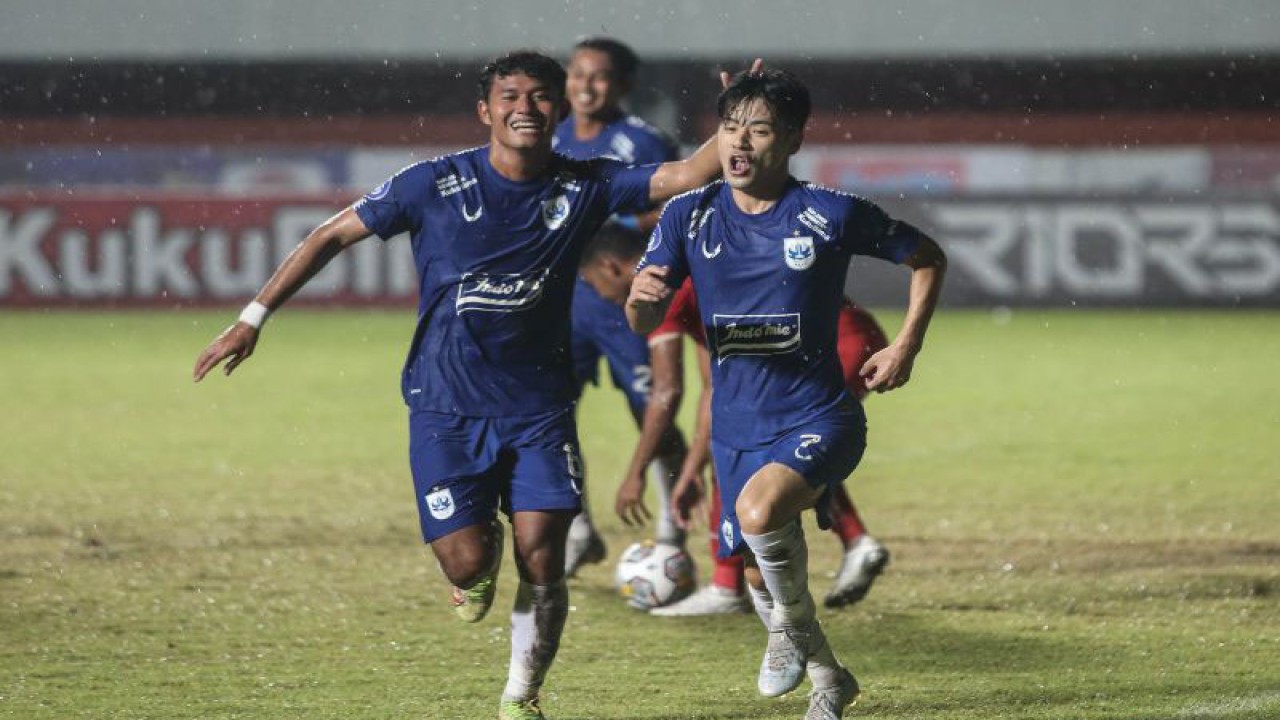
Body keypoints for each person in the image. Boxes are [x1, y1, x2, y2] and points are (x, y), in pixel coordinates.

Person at [192, 50, 733, 720]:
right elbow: (331, 235)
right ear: (486, 110)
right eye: (510, 96)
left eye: (540, 97)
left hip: (539, 409)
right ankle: (473, 573)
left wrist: (736, 118)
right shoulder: (432, 184)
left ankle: (521, 697)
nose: (525, 108)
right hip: (444, 406)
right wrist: (253, 318)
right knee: (466, 561)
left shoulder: (587, 185)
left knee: (546, 557)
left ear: (559, 111)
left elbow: (686, 173)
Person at [626, 69, 946, 719]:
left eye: (760, 129)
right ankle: (830, 681)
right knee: (754, 572)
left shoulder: (830, 214)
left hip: (818, 414)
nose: (741, 142)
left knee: (761, 512)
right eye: (729, 128)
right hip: (735, 428)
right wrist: (639, 302)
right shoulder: (687, 215)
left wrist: (905, 343)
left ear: (794, 139)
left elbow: (927, 257)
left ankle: (786, 634)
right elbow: (642, 317)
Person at [577, 224, 891, 617]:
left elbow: (667, 391)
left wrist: (636, 472)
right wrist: (691, 467)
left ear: (610, 268)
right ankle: (852, 542)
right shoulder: (693, 271)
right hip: (842, 337)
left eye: (589, 282)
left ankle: (729, 586)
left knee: (748, 453)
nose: (596, 294)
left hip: (825, 346)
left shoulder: (664, 288)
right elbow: (715, 390)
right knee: (782, 448)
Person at [553, 37, 689, 575]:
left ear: (625, 86)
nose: (586, 86)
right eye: (578, 74)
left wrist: (616, 224)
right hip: (563, 301)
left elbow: (676, 209)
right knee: (551, 413)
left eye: (600, 76)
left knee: (652, 409)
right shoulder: (551, 135)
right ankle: (578, 529)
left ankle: (671, 535)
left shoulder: (641, 142)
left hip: (625, 296)